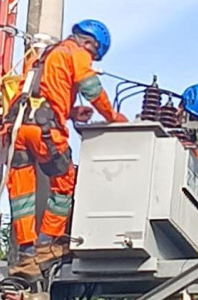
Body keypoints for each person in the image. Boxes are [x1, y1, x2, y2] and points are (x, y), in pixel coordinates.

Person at [7, 19, 128, 277]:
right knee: (64, 182)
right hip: (45, 131)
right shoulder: (77, 53)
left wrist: (71, 112)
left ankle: (25, 253)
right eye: (94, 53)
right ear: (90, 43)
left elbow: (40, 92)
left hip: (17, 129)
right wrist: (112, 116)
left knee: (22, 192)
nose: (91, 57)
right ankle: (47, 244)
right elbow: (91, 88)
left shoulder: (42, 56)